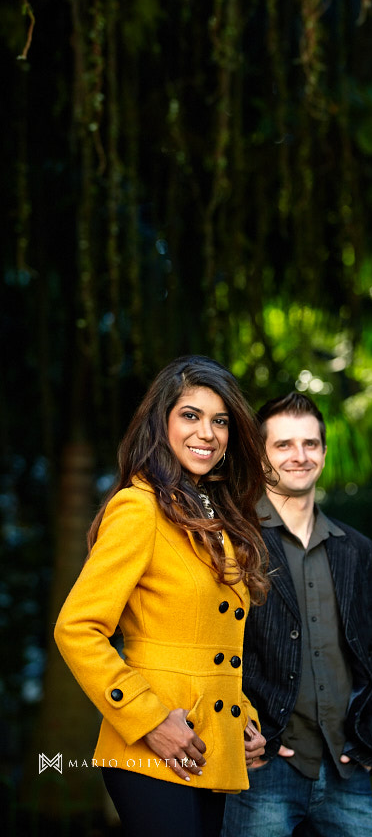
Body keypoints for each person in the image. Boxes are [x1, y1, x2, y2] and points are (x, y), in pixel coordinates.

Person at [54, 355, 269, 837]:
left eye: (220, 421)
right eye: (190, 415)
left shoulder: (217, 517)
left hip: (208, 750)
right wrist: (147, 718)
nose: (207, 433)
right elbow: (77, 628)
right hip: (149, 749)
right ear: (162, 423)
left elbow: (208, 646)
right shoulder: (138, 508)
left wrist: (243, 720)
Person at [221, 392, 372, 837]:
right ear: (260, 456)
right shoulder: (234, 542)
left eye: (310, 444)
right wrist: (241, 731)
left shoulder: (355, 549)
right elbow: (217, 647)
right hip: (264, 766)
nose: (299, 456)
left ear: (324, 452)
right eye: (283, 445)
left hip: (346, 769)